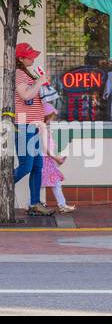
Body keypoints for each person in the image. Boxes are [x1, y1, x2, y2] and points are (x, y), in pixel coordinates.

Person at [13, 42, 52, 217]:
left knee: (37, 166)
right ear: (20, 58)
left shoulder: (27, 73)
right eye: (29, 56)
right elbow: (25, 95)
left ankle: (35, 203)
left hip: (34, 126)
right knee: (26, 166)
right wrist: (39, 82)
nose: (33, 58)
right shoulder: (18, 73)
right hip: (24, 126)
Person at [39, 102, 74, 214]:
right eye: (52, 117)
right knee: (53, 182)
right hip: (46, 160)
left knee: (42, 183)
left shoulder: (42, 127)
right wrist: (56, 158)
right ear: (47, 116)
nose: (53, 120)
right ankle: (62, 205)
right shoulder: (43, 128)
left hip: (45, 160)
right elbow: (45, 148)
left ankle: (32, 203)